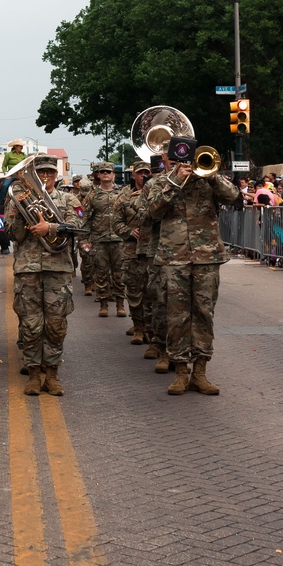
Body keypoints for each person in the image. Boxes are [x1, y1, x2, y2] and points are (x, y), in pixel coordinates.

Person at [143, 137, 240, 395]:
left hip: (207, 257)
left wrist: (212, 176)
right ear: (169, 160)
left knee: (203, 313)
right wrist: (175, 181)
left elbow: (233, 198)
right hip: (173, 257)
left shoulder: (208, 180)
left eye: (186, 159)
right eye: (176, 159)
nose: (182, 163)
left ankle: (200, 371)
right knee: (176, 315)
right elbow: (152, 212)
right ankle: (181, 371)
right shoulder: (159, 183)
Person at [4, 155, 83, 396]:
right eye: (41, 173)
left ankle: (52, 374)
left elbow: (78, 225)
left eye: (50, 172)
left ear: (56, 175)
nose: (45, 176)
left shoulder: (68, 198)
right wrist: (18, 211)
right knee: (31, 325)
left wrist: (50, 228)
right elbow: (12, 235)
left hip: (58, 269)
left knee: (56, 324)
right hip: (28, 270)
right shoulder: (19, 200)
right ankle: (34, 374)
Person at [80, 162, 126, 317]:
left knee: (119, 274)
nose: (106, 174)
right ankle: (103, 304)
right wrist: (84, 240)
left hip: (119, 240)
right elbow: (86, 219)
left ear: (113, 174)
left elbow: (128, 215)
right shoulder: (92, 196)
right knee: (101, 273)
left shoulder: (122, 193)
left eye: (108, 171)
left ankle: (120, 304)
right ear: (98, 175)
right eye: (102, 172)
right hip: (99, 240)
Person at [113, 162, 152, 344]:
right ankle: (138, 327)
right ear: (133, 175)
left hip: (154, 250)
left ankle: (151, 331)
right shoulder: (124, 196)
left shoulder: (158, 192)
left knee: (153, 293)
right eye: (140, 173)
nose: (144, 175)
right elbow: (116, 223)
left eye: (147, 172)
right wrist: (129, 232)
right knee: (134, 291)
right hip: (132, 250)